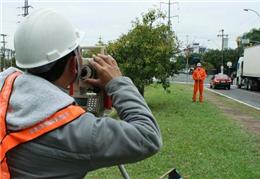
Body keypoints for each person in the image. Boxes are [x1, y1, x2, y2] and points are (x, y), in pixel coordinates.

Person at [0, 9, 162, 178]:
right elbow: (148, 136)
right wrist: (117, 83)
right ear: (73, 64)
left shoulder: (5, 88)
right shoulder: (77, 130)